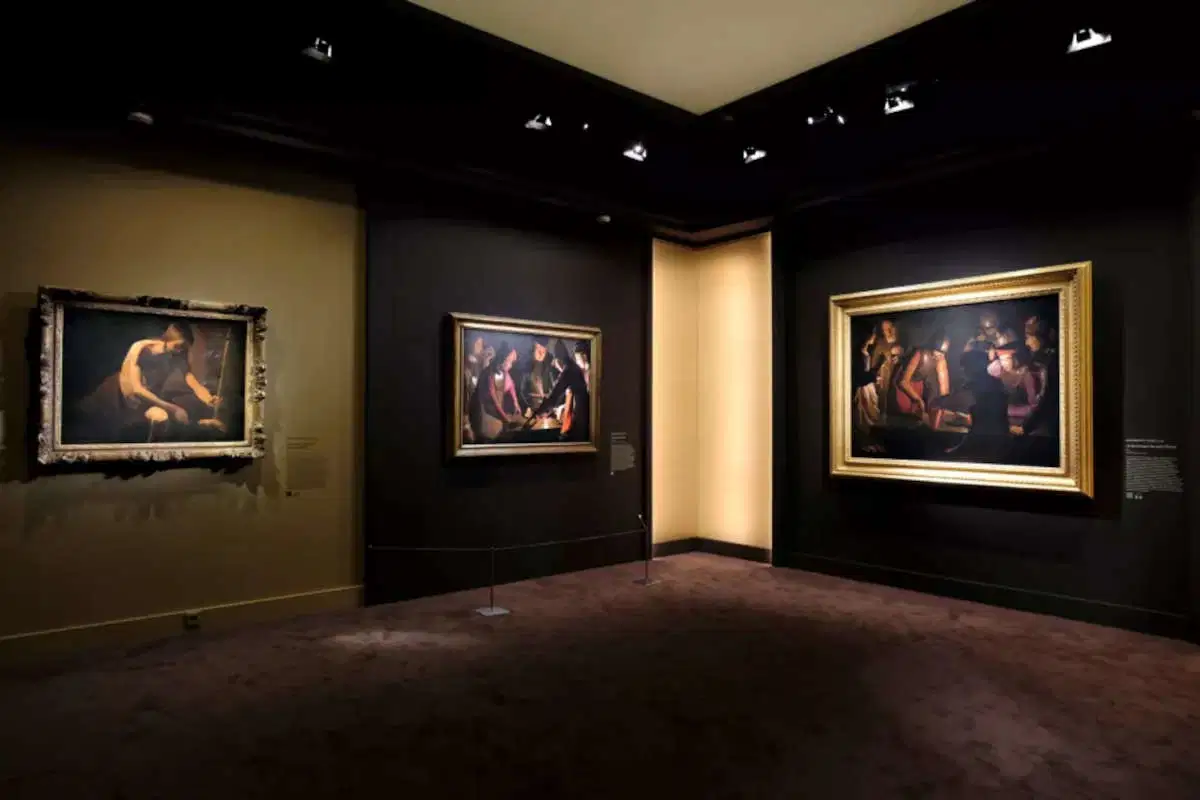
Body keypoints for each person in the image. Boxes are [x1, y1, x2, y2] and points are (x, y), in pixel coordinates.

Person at [78, 321, 223, 441]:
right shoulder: (142, 348)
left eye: (184, 348)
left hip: (142, 403)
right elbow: (137, 389)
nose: (180, 351)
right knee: (95, 431)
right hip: (113, 397)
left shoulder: (179, 355)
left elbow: (192, 381)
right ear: (166, 340)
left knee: (161, 421)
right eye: (178, 346)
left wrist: (208, 398)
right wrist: (173, 408)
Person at [533, 340, 591, 441]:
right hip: (580, 416)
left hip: (580, 419)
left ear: (558, 359)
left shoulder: (569, 370)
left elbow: (554, 395)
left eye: (555, 363)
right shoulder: (574, 368)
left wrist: (539, 411)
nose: (556, 366)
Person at [896, 329, 952, 428]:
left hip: (917, 384)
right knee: (906, 415)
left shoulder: (940, 358)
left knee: (920, 416)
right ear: (932, 347)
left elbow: (944, 386)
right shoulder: (919, 353)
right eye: (938, 351)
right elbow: (903, 382)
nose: (940, 355)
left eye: (943, 352)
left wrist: (943, 403)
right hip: (902, 385)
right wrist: (918, 399)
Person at [470, 341, 523, 442]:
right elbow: (493, 401)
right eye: (510, 362)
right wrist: (505, 418)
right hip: (485, 419)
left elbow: (511, 386)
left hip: (497, 417)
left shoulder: (503, 372)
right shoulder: (488, 375)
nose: (511, 365)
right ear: (502, 359)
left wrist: (516, 403)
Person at [520, 337, 561, 411]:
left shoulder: (550, 367)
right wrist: (528, 406)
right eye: (538, 349)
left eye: (544, 351)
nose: (541, 353)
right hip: (531, 406)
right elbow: (523, 391)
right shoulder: (526, 367)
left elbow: (554, 388)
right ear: (533, 349)